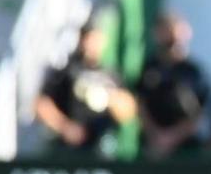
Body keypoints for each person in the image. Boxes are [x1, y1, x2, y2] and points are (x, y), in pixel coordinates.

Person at [36, 25, 136, 157]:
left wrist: (110, 97)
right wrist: (65, 127)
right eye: (89, 38)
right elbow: (41, 104)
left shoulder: (112, 75)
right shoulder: (68, 71)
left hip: (102, 146)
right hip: (68, 148)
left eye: (97, 39)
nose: (93, 44)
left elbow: (129, 112)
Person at [136, 11, 209, 159]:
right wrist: (156, 136)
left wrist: (171, 138)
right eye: (165, 31)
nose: (171, 38)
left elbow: (199, 113)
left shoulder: (193, 72)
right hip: (152, 146)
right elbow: (140, 104)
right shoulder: (150, 67)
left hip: (185, 148)